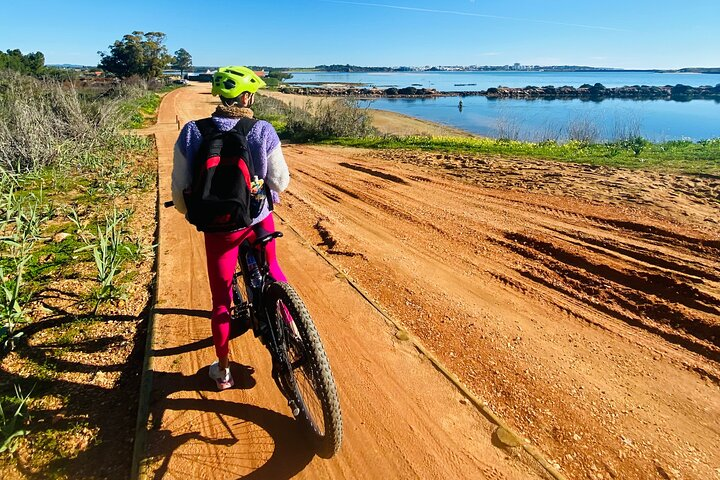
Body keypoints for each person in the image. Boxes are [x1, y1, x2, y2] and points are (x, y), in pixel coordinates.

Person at [171, 66, 290, 390]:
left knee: (222, 301)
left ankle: (222, 372)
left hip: (219, 228)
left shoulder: (193, 132)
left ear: (220, 96)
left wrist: (191, 213)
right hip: (257, 218)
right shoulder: (261, 129)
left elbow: (180, 189)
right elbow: (280, 180)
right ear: (247, 96)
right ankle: (292, 324)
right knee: (273, 266)